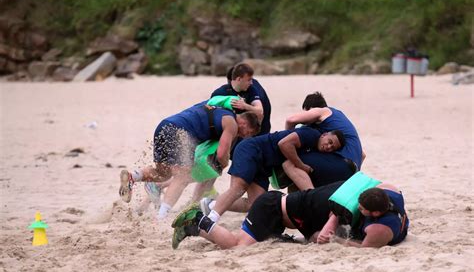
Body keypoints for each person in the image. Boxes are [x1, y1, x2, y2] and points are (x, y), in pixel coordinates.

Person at [118, 102, 260, 219]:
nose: (246, 137)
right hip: (181, 132)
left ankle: (132, 176)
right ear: (246, 124)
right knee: (183, 176)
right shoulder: (232, 124)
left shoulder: (219, 108)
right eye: (249, 133)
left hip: (165, 125)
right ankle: (161, 217)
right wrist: (224, 164)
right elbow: (222, 153)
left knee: (162, 173)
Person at [197, 127, 345, 226]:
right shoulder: (311, 134)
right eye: (330, 142)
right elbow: (284, 144)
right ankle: (210, 220)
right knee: (238, 188)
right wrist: (301, 165)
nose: (329, 147)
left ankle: (211, 204)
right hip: (252, 150)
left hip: (263, 166)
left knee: (255, 204)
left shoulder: (313, 148)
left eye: (333, 148)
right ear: (325, 135)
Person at [171, 181, 345, 249]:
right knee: (236, 245)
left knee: (245, 241)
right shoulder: (338, 209)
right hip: (271, 209)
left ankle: (192, 228)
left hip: (279, 213)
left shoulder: (345, 193)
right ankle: (197, 218)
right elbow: (319, 236)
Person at [191, 62, 272, 202]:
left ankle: (200, 199)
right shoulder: (222, 94)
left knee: (218, 167)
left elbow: (260, 112)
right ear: (235, 79)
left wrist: (245, 106)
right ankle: (195, 201)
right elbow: (208, 113)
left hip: (251, 134)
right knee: (213, 166)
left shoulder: (252, 88)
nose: (250, 83)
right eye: (248, 80)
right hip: (233, 135)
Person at [283, 92, 365, 190]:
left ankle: (310, 198)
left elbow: (290, 120)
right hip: (352, 172)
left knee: (291, 162)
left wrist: (287, 139)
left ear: (311, 109)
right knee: (303, 174)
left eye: (306, 113)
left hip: (341, 163)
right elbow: (363, 155)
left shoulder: (323, 111)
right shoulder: (337, 119)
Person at [317, 183, 409, 247]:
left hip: (380, 237)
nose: (357, 208)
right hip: (379, 220)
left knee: (318, 237)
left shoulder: (379, 229)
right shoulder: (388, 189)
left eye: (361, 208)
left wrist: (336, 239)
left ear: (376, 213)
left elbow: (364, 248)